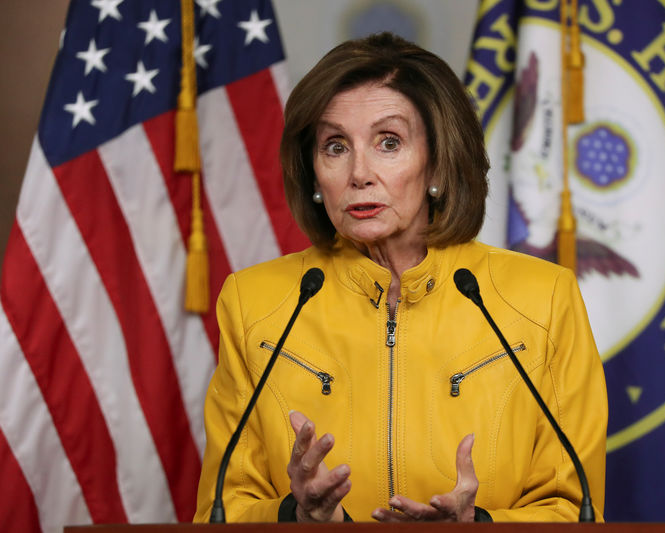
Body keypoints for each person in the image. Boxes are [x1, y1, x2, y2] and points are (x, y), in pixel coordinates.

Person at [193, 32, 607, 524]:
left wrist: (478, 525)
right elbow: (222, 509)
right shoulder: (256, 303)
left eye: (389, 142)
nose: (359, 173)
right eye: (335, 146)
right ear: (314, 174)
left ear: (437, 162)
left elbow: (574, 509)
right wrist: (295, 516)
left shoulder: (542, 299)